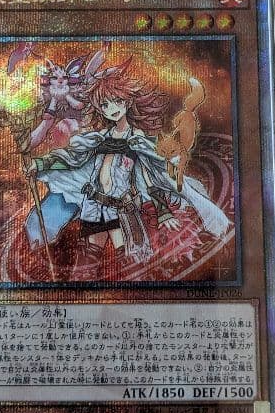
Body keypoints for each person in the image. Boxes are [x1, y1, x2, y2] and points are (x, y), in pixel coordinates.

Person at [24, 60, 230, 264]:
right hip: (93, 207)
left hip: (121, 209)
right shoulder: (98, 139)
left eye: (116, 101)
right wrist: (39, 164)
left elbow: (151, 177)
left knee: (129, 262)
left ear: (127, 101)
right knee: (86, 263)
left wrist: (163, 211)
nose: (111, 108)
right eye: (105, 105)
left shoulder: (136, 140)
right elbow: (72, 159)